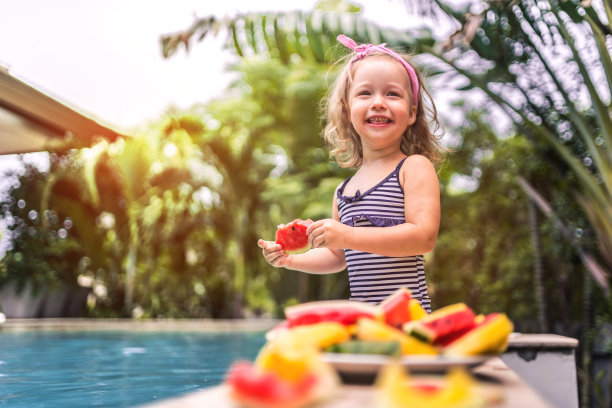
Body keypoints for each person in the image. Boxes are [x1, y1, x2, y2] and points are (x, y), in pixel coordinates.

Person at [257, 34, 445, 312]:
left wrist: (347, 235)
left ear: (412, 113)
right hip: (364, 322)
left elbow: (423, 238)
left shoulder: (413, 167)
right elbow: (337, 256)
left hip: (410, 322)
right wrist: (291, 260)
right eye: (365, 93)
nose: (379, 102)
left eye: (392, 93)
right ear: (347, 110)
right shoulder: (343, 192)